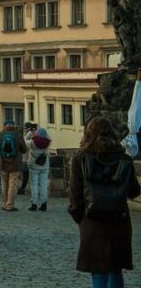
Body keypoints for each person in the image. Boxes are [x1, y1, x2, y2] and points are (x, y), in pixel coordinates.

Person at [68, 117, 141, 288]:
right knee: (115, 268)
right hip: (119, 219)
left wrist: (78, 216)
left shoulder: (81, 158)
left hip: (92, 220)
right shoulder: (124, 158)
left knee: (98, 270)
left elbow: (75, 193)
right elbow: (134, 191)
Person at [0, 120, 27, 212]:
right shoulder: (18, 135)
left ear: (4, 125)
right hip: (15, 164)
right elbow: (24, 149)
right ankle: (10, 205)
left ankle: (4, 204)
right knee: (12, 184)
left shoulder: (0, 134)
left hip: (3, 163)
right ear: (13, 125)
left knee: (4, 184)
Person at [27, 127, 52, 211]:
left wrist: (30, 133)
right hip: (44, 165)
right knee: (44, 185)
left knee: (34, 185)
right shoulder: (48, 142)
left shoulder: (32, 142)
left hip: (34, 165)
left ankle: (34, 204)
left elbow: (24, 141)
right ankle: (44, 203)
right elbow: (48, 136)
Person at [17, 122, 33, 195]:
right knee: (25, 173)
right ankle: (23, 187)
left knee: (25, 173)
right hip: (26, 157)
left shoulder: (29, 134)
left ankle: (23, 188)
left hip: (26, 157)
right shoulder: (29, 133)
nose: (24, 129)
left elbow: (24, 142)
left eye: (25, 127)